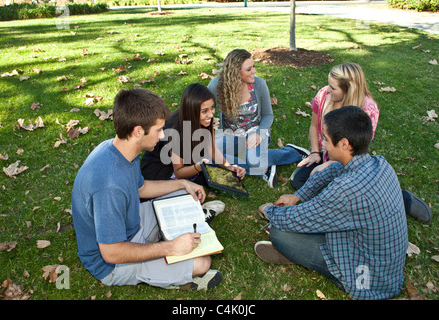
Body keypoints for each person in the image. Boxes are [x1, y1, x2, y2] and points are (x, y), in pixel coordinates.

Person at [71, 88, 222, 290]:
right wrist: (170, 247)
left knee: (183, 194)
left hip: (131, 221)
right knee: (203, 263)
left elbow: (141, 188)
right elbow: (112, 252)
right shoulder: (109, 185)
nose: (162, 136)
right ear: (138, 131)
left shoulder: (121, 149)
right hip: (114, 262)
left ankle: (179, 225)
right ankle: (173, 267)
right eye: (158, 130)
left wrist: (182, 183)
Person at [254, 106, 409, 300]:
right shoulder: (378, 163)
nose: (324, 145)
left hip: (366, 279)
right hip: (383, 268)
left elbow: (298, 218)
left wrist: (268, 210)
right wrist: (297, 196)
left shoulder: (347, 190)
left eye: (326, 139)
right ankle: (299, 254)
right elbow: (334, 170)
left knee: (279, 232)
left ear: (344, 144)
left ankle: (301, 257)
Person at [290, 62, 431, 222]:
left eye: (333, 88)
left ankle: (400, 197)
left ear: (348, 89)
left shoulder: (367, 110)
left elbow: (354, 153)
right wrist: (315, 153)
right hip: (327, 153)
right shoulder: (324, 95)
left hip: (350, 162)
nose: (328, 90)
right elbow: (314, 125)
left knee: (341, 191)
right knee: (298, 180)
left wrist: (329, 166)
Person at [140, 83, 246, 222]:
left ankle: (190, 206)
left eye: (212, 108)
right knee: (192, 186)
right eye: (205, 111)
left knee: (206, 179)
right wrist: (198, 166)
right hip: (160, 169)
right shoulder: (176, 130)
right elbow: (179, 172)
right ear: (192, 110)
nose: (211, 114)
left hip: (187, 163)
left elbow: (212, 149)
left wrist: (229, 167)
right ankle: (195, 213)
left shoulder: (206, 120)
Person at [207, 49, 309, 188]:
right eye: (249, 69)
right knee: (206, 153)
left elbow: (268, 115)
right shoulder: (216, 86)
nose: (254, 71)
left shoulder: (259, 84)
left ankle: (292, 152)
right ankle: (261, 167)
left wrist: (259, 133)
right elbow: (205, 110)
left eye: (253, 66)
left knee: (255, 162)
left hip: (254, 131)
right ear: (235, 72)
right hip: (230, 134)